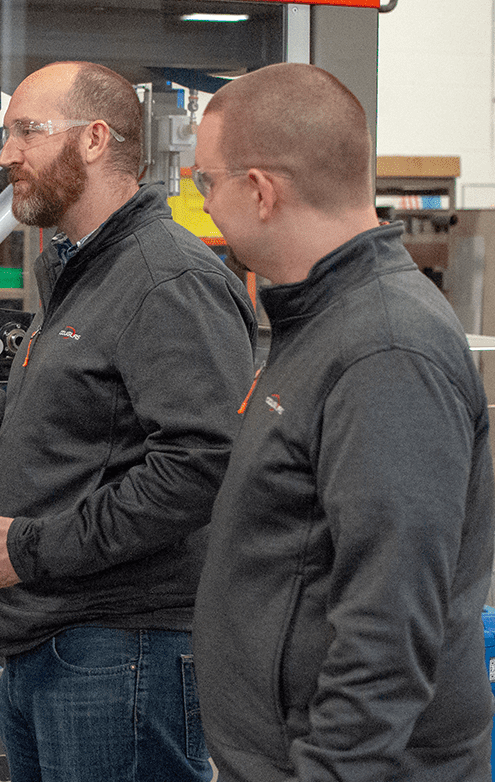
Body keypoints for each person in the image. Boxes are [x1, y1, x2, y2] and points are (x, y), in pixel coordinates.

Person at [0, 62, 257, 782]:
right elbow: (67, 421)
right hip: (56, 637)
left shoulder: (166, 279)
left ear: (95, 140)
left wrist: (35, 549)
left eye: (28, 132)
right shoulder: (81, 269)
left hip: (125, 648)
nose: (6, 155)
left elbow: (199, 467)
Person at [191, 63, 495, 782]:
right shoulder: (321, 322)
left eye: (208, 183)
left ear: (261, 191)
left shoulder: (385, 351)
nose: (205, 206)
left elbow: (389, 626)